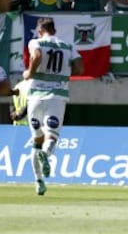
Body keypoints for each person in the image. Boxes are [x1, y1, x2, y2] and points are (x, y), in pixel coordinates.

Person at [23, 17, 84, 195]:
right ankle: (47, 154)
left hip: (35, 96)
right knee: (52, 137)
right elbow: (80, 69)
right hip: (57, 96)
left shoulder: (36, 42)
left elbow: (36, 56)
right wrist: (64, 72)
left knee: (36, 140)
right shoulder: (68, 46)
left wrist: (29, 72)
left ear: (40, 31)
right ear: (54, 30)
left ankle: (39, 181)